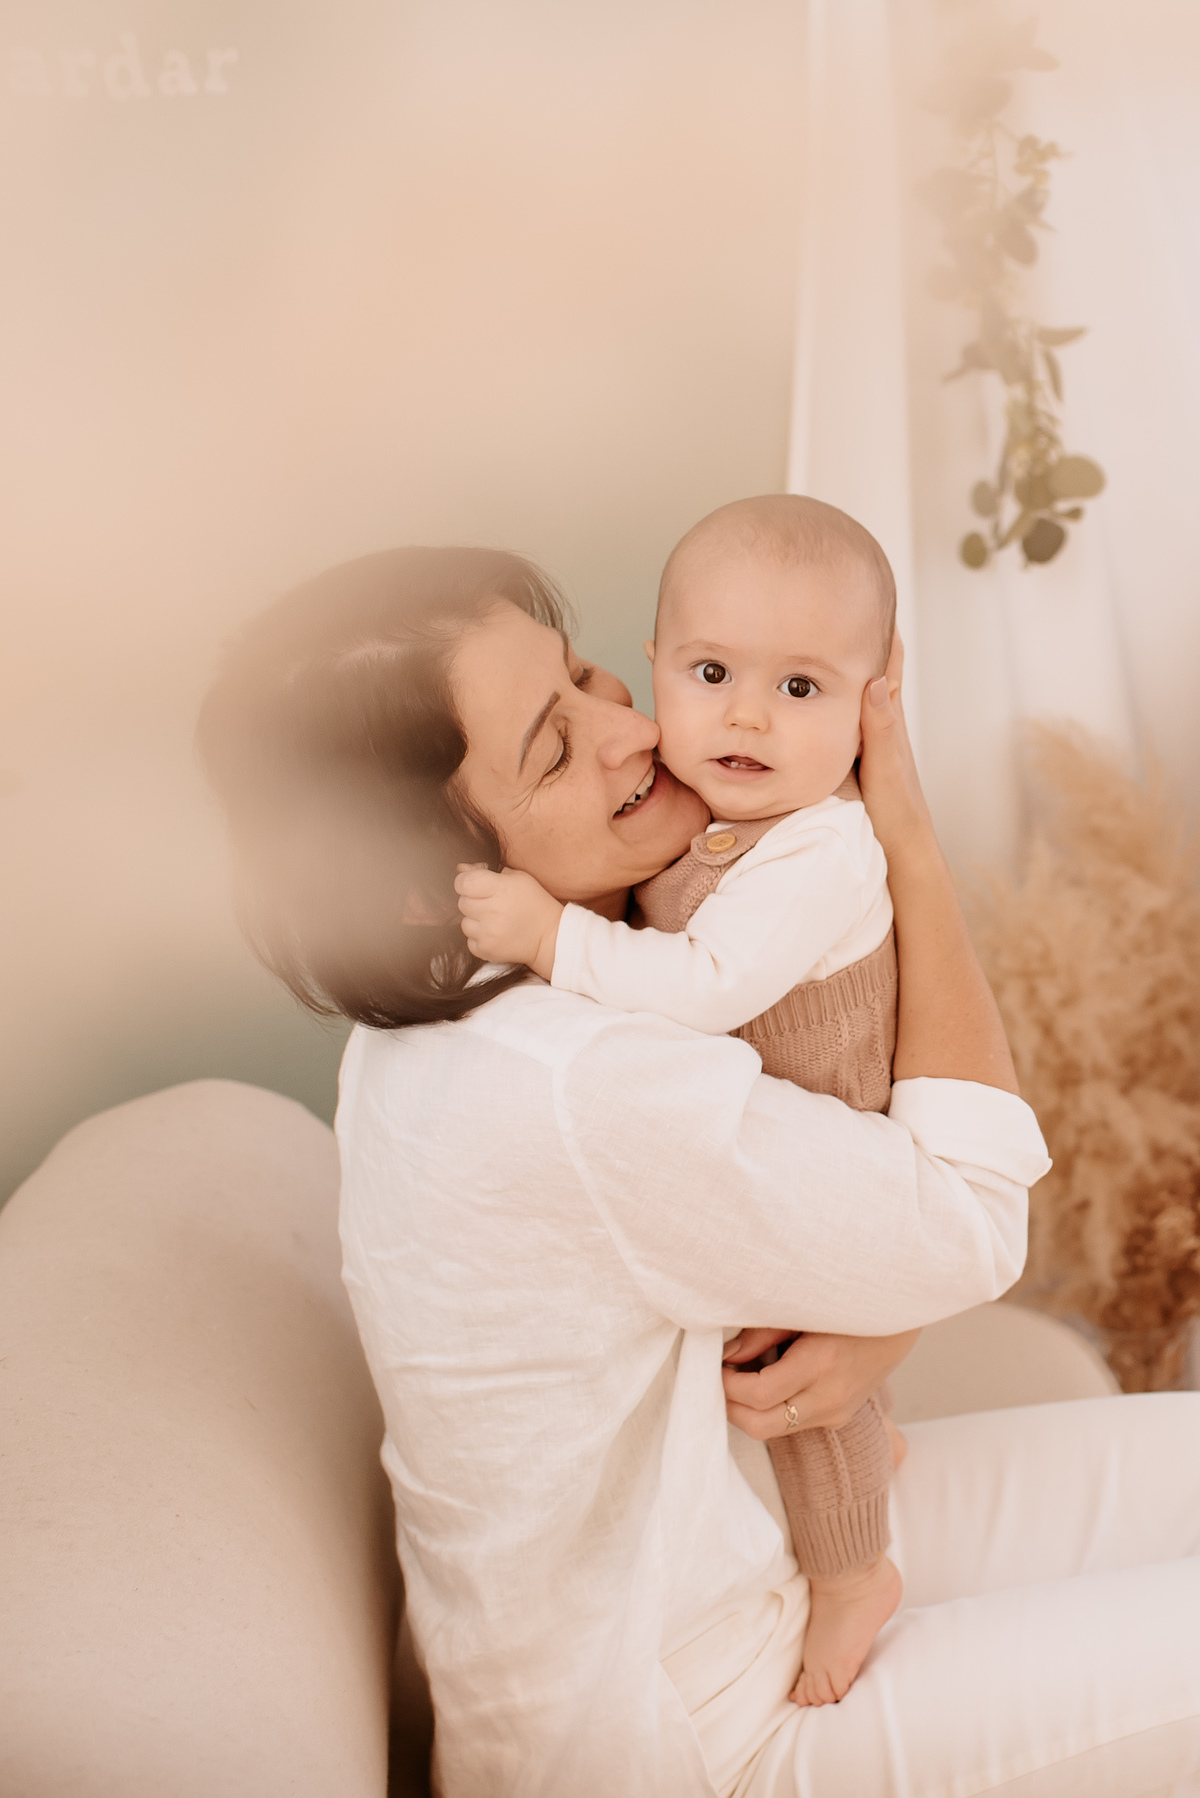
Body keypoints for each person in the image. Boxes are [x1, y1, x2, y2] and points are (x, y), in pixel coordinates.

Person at [198, 543, 1200, 1798]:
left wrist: (872, 1323)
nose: (630, 732)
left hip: (736, 1570)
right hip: (691, 1729)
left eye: (585, 677)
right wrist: (903, 836)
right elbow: (975, 1217)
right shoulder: (572, 1082)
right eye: (553, 749)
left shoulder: (430, 1029)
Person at [453, 494, 907, 1708]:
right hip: (778, 1134)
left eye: (800, 688)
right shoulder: (717, 811)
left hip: (836, 1131)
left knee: (794, 1376)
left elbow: (705, 986)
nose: (746, 717)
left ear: (872, 707)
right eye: (711, 674)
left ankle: (854, 1571)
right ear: (660, 662)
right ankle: (878, 1451)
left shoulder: (818, 846)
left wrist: (551, 936)